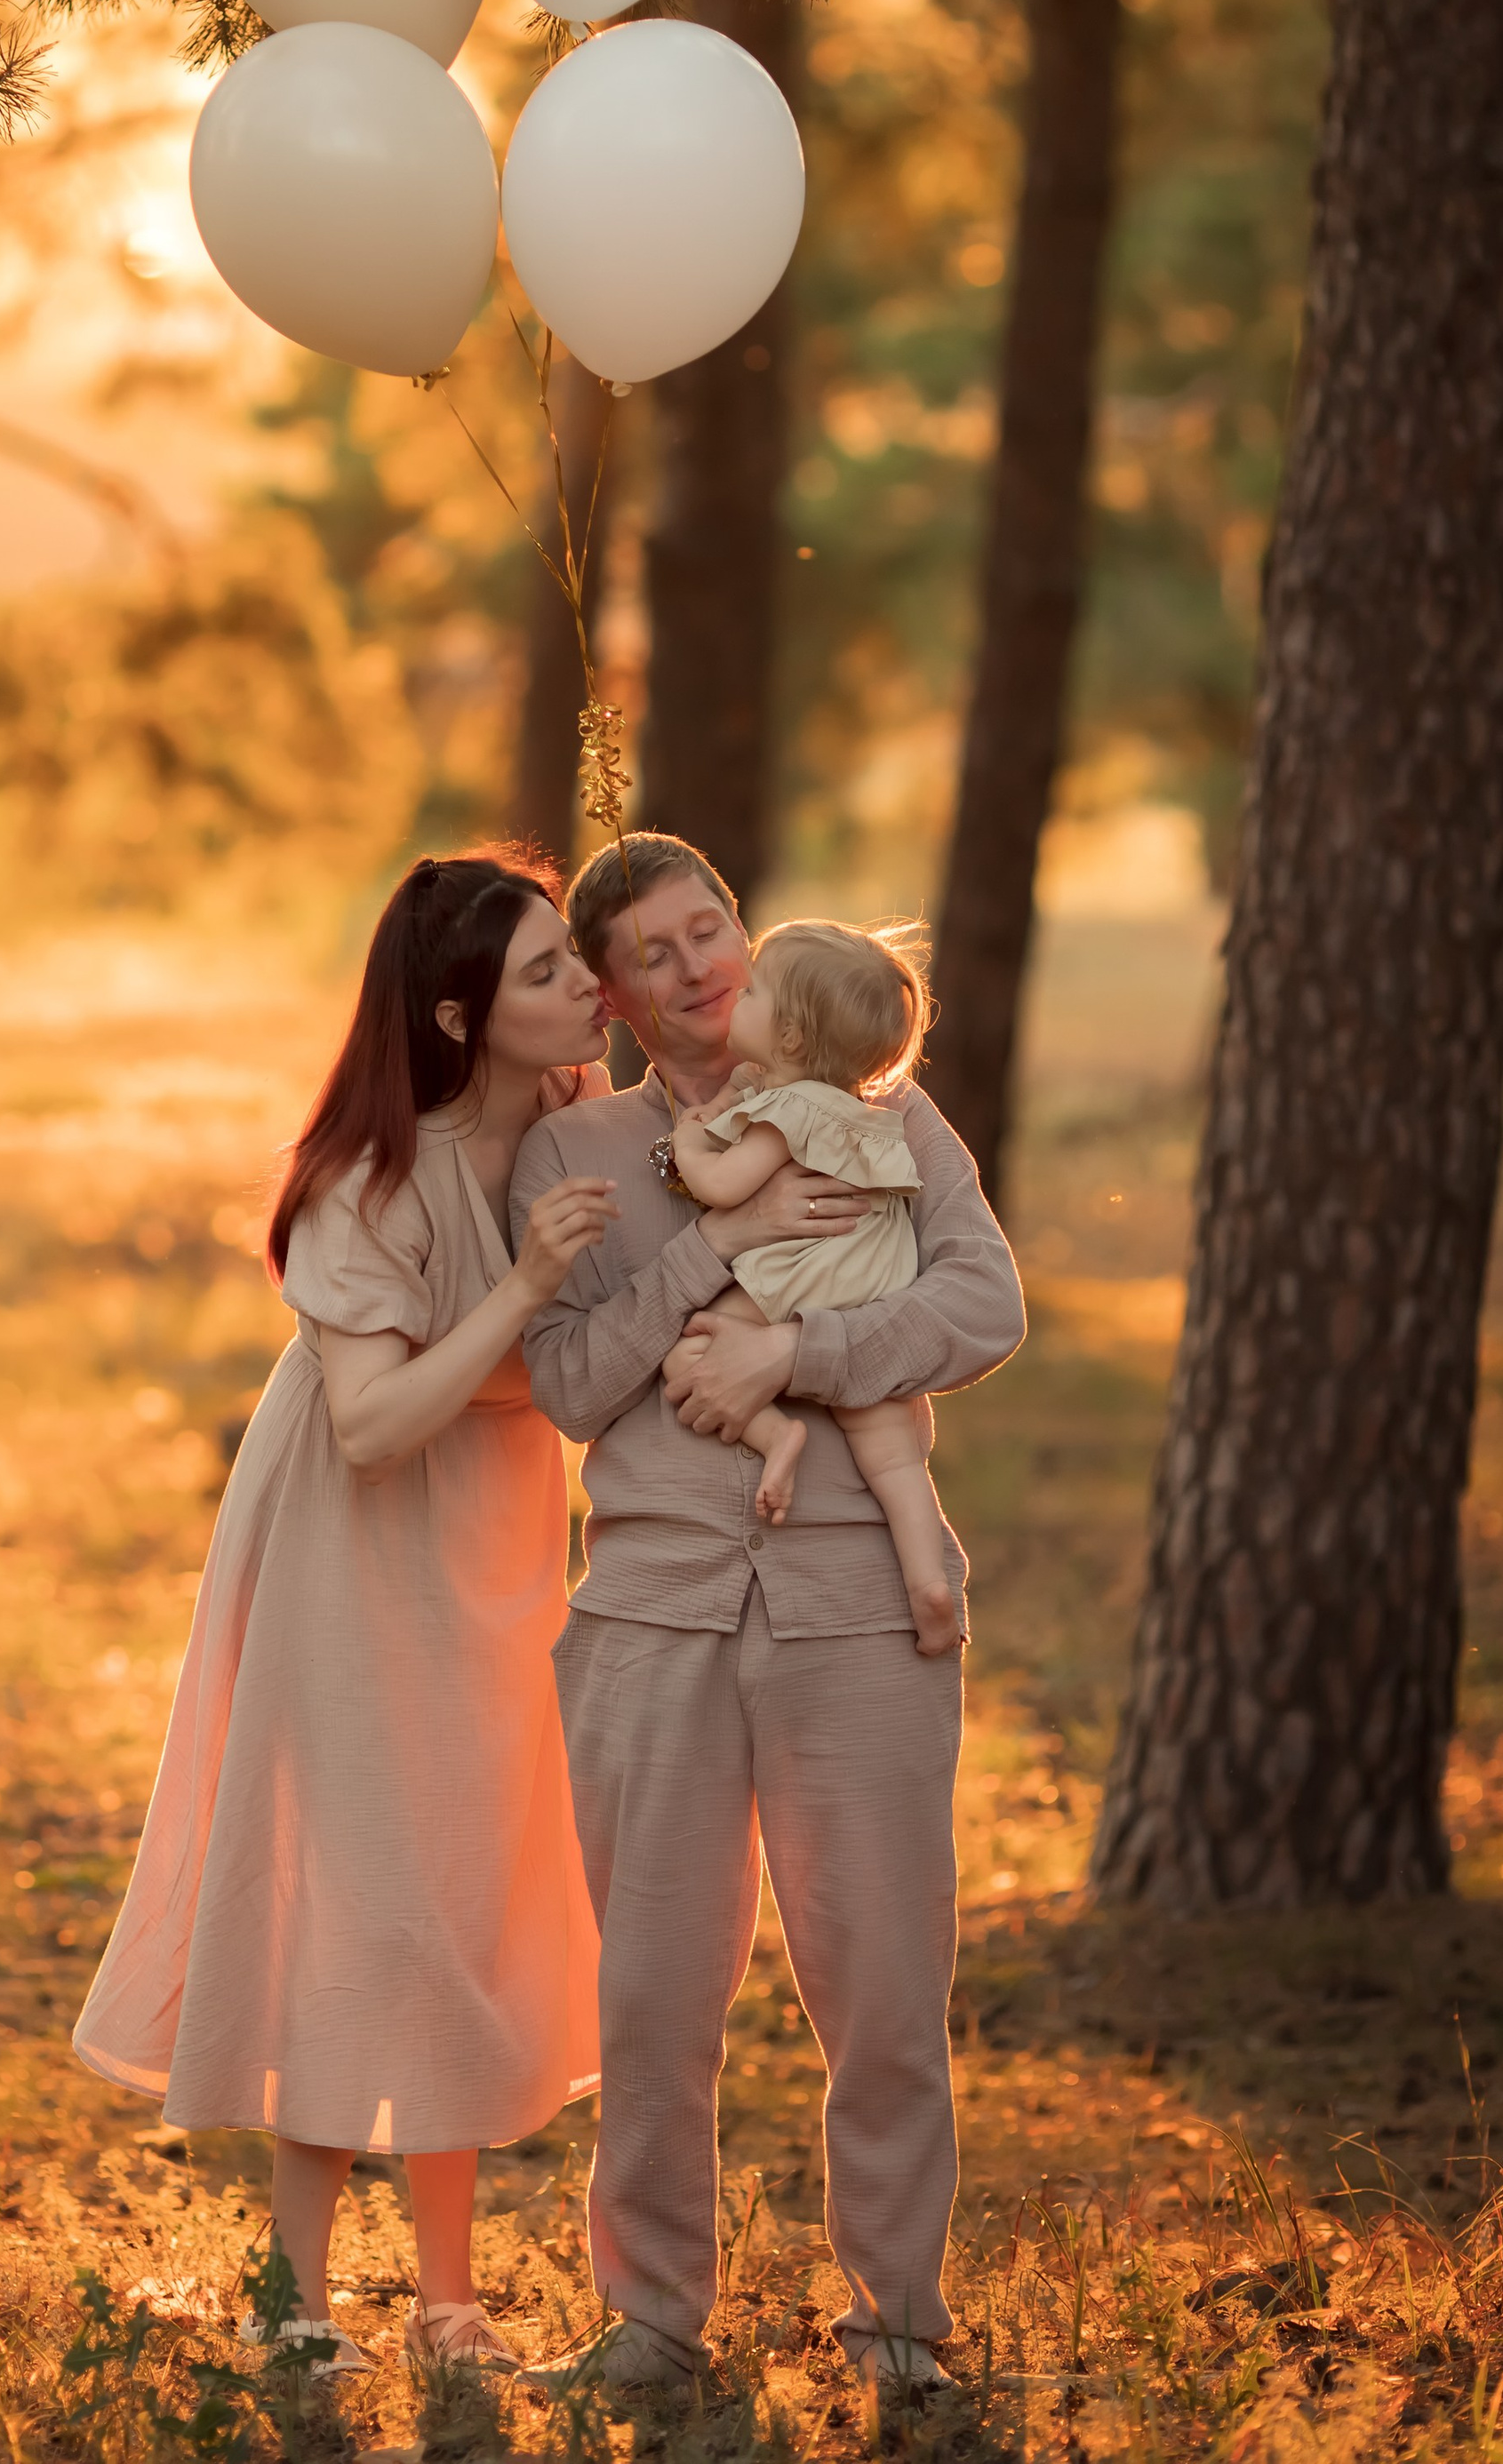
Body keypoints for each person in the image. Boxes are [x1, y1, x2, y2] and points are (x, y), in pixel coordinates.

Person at [74, 851, 616, 2378]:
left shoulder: (583, 1130)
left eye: (581, 959)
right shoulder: (363, 1183)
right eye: (548, 973)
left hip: (500, 1548)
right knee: (354, 1902)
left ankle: (449, 2302)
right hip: (352, 1550)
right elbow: (375, 1426)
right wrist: (522, 1287)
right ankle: (302, 2303)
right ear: (462, 1013)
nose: (588, 989)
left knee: (458, 1900)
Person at [508, 833, 1024, 2411]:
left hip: (858, 1602)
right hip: (651, 1612)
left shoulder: (887, 1111)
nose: (697, 967)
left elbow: (982, 1306)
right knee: (653, 2000)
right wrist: (714, 1266)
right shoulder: (576, 1156)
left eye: (708, 927)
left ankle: (900, 2332)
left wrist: (788, 1352)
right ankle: (655, 2321)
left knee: (881, 1985)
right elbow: (572, 1381)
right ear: (611, 995)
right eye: (653, 954)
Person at [661, 917, 962, 1659]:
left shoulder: (783, 1110)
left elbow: (725, 1186)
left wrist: (691, 1141)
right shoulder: (861, 1110)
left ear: (791, 1038)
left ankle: (778, 1434)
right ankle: (929, 1582)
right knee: (894, 1456)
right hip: (876, 1278)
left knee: (692, 1350)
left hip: (806, 1270)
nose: (739, 993)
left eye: (754, 989)